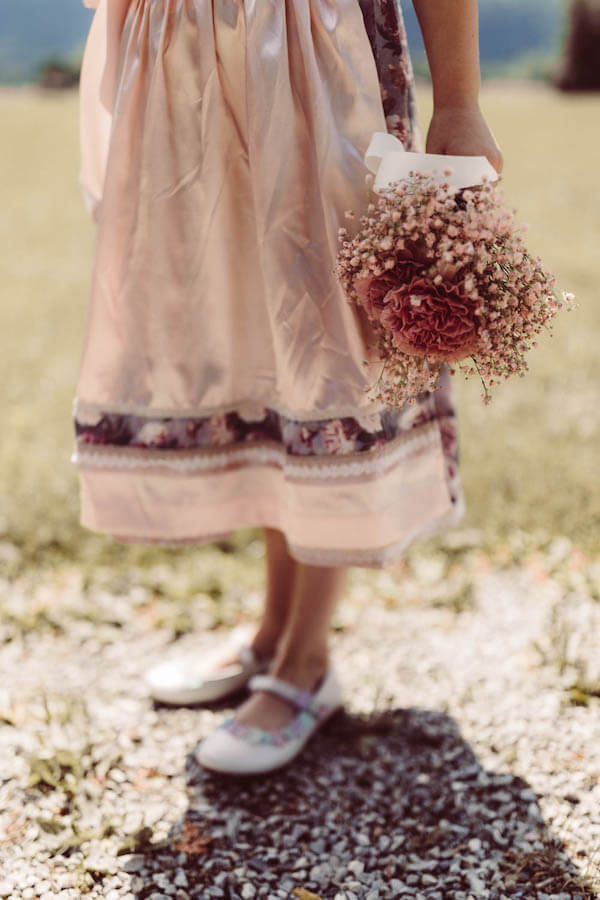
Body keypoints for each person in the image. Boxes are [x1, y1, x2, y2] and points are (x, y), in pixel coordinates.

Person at [75, 0, 503, 775]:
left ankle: (306, 661)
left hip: (319, 56)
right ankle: (274, 633)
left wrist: (462, 103)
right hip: (181, 60)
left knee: (327, 352)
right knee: (251, 345)